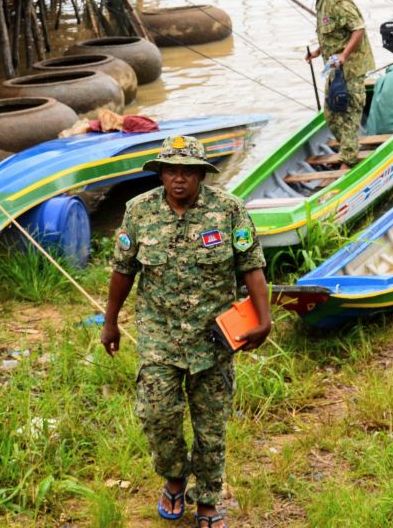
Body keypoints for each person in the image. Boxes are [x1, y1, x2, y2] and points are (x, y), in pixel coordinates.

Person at [101, 135, 271, 528]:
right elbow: (123, 270)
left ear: (200, 175)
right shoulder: (139, 212)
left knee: (211, 424)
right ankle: (175, 478)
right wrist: (111, 322)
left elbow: (251, 266)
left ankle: (208, 500)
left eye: (187, 172)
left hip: (213, 337)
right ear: (161, 173)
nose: (178, 179)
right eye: (171, 171)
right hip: (159, 335)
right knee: (157, 414)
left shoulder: (228, 211)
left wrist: (264, 318)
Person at [297, 0, 376, 169]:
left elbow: (357, 29)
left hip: (352, 67)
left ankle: (348, 161)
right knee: (331, 114)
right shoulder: (320, 3)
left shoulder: (338, 2)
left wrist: (344, 55)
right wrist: (316, 52)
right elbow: (333, 36)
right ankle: (348, 148)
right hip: (335, 69)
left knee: (348, 112)